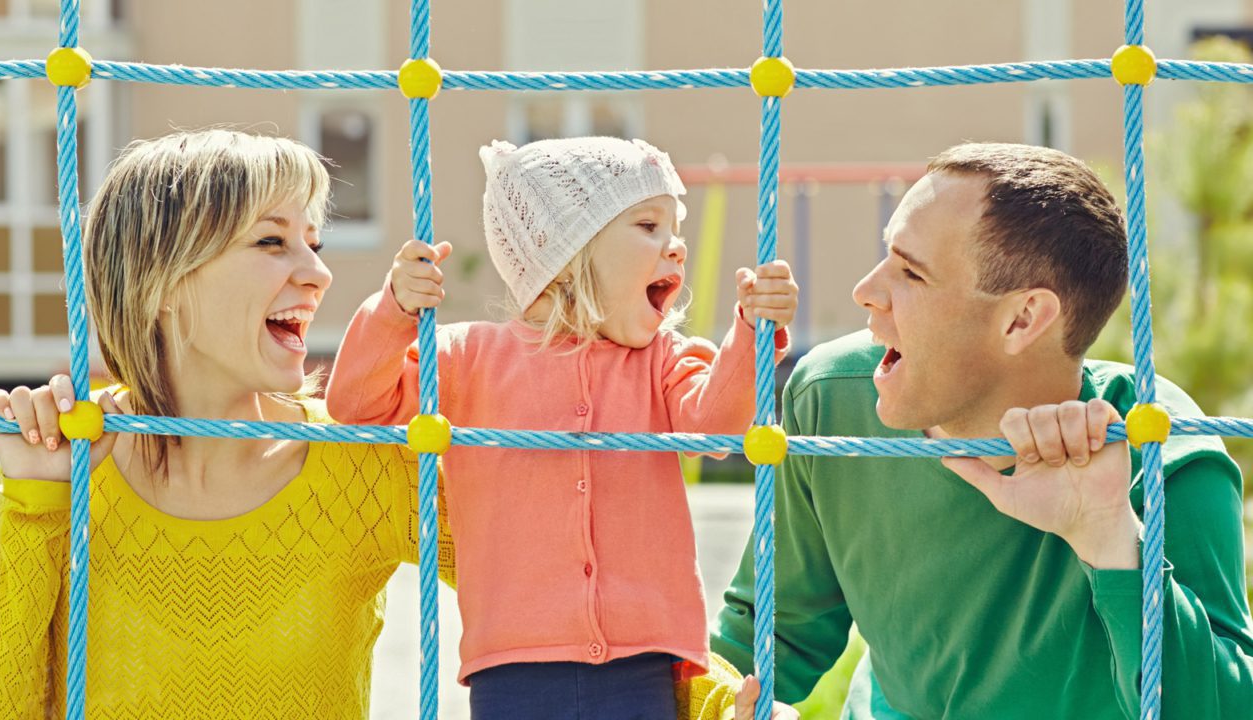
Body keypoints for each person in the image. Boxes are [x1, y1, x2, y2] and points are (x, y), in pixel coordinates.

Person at [712, 143, 1253, 719]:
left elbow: (1221, 707)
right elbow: (763, 642)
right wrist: (726, 706)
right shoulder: (831, 401)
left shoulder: (1162, 448)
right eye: (885, 256)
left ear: (1023, 319)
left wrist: (1111, 539)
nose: (865, 291)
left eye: (911, 272)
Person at [0, 130, 457, 719]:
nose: (319, 274)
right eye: (271, 241)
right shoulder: (65, 461)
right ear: (164, 281)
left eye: (314, 242)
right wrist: (35, 503)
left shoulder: (363, 458)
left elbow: (559, 595)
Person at [326, 136, 801, 719]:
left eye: (675, 229)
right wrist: (395, 311)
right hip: (514, 665)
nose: (676, 247)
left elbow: (715, 423)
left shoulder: (662, 359)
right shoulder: (466, 356)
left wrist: (751, 335)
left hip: (643, 661)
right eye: (649, 226)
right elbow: (356, 404)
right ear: (568, 253)